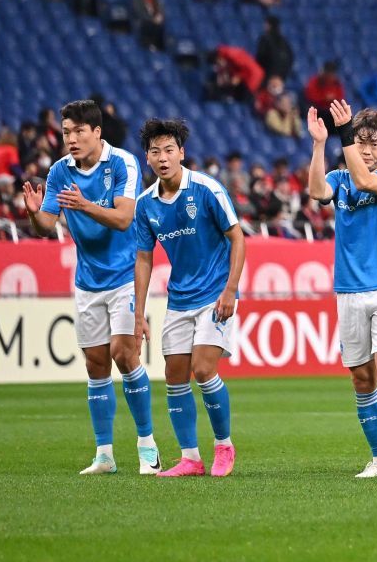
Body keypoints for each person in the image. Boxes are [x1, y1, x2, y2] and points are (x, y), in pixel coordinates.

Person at [18, 98, 160, 474]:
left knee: (124, 353)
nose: (72, 139)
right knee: (95, 364)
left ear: (97, 132)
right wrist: (35, 214)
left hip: (125, 277)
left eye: (80, 131)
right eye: (67, 132)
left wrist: (82, 206)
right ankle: (104, 455)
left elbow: (125, 218)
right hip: (88, 280)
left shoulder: (122, 163)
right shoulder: (60, 171)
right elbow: (48, 225)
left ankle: (148, 446)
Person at [306, 98, 377, 479]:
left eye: (374, 143)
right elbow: (317, 191)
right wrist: (320, 144)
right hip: (348, 290)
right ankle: (376, 457)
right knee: (361, 377)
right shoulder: (340, 178)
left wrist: (345, 133)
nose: (366, 150)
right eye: (360, 142)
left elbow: (367, 181)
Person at [131, 118, 243, 478]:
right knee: (175, 376)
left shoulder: (207, 188)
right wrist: (138, 312)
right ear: (147, 158)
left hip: (214, 295)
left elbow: (237, 237)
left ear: (181, 152)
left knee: (203, 368)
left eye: (168, 150)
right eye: (155, 151)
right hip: (179, 299)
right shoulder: (146, 204)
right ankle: (190, 458)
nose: (162, 158)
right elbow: (144, 258)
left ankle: (224, 446)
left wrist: (230, 290)